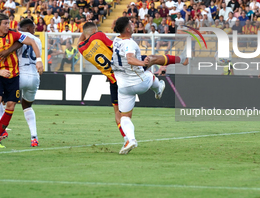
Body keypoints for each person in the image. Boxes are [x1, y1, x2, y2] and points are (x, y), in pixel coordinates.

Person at [78, 21, 188, 151]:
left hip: (114, 80)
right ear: (95, 30)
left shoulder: (81, 48)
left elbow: (82, 38)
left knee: (119, 115)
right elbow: (116, 48)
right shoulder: (99, 36)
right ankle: (180, 62)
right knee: (153, 59)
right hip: (124, 68)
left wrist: (86, 31)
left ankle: (127, 139)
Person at [0, 14, 43, 148]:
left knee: (10, 105)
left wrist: (39, 60)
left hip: (15, 75)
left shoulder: (14, 34)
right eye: (5, 23)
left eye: (8, 23)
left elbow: (31, 41)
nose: (8, 26)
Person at [111, 17, 167, 155]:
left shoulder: (116, 41)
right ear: (128, 29)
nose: (133, 24)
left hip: (123, 87)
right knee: (150, 74)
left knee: (124, 116)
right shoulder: (129, 43)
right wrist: (143, 63)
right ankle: (159, 89)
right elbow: (130, 58)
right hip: (139, 82)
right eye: (131, 23)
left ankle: (131, 140)